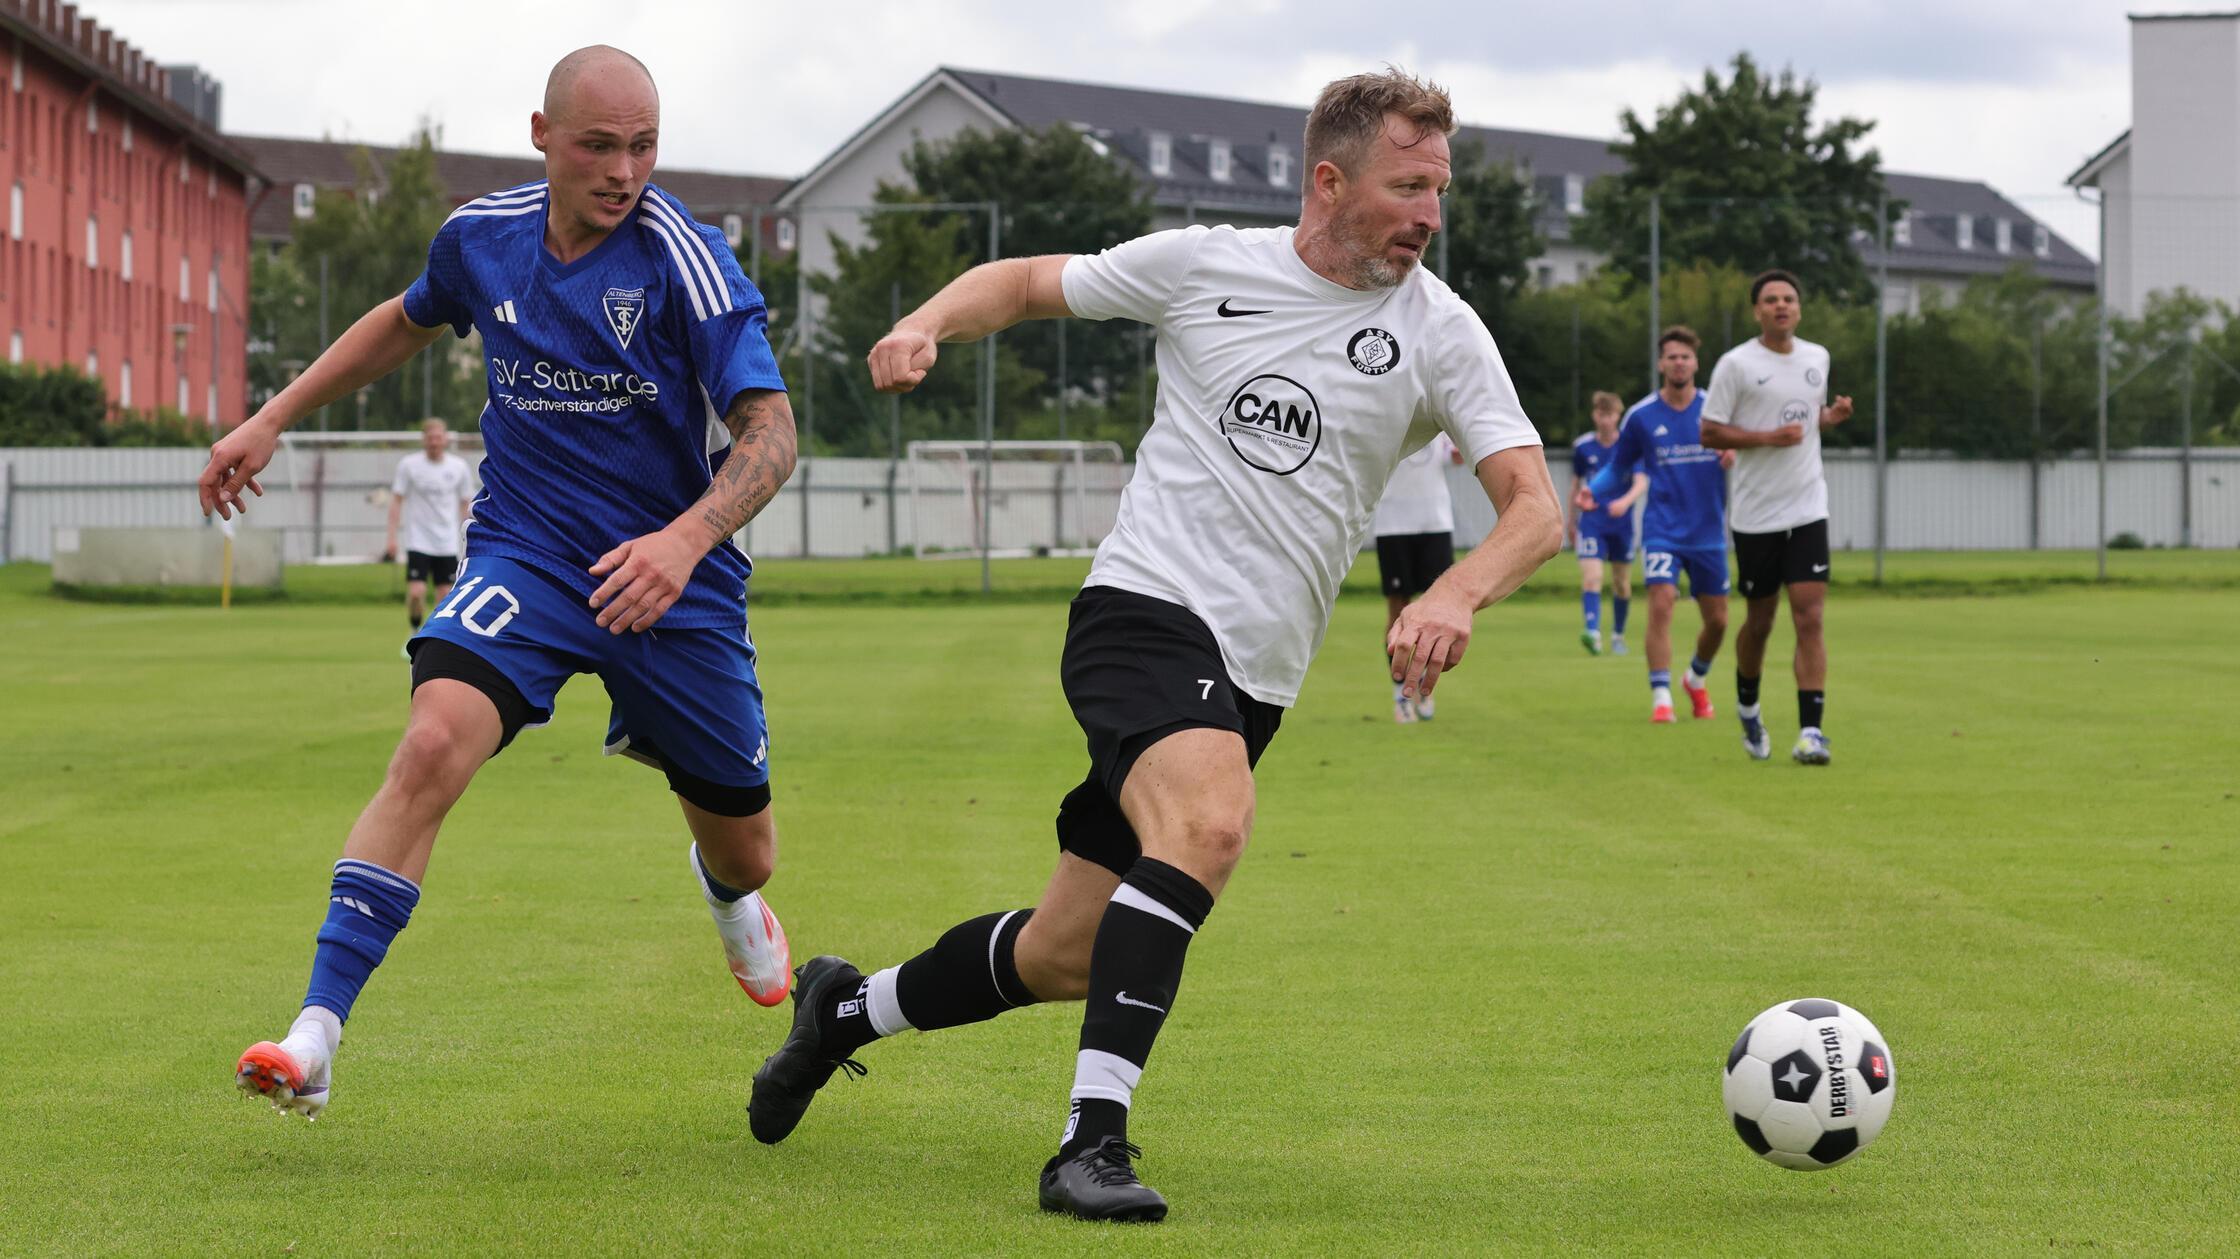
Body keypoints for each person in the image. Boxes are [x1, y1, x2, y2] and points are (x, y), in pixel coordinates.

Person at [747, 69, 1561, 1223]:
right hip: (1142, 607)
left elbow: (1533, 505)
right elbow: (1025, 282)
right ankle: (1091, 1142)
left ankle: (842, 1009)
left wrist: (1459, 592)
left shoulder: (1441, 331)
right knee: (1208, 823)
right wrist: (926, 319)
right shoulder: (1205, 263)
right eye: (1407, 186)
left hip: (1256, 674)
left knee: (1065, 951)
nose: (1429, 214)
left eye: (1439, 188)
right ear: (1328, 181)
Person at [198, 46, 801, 1121]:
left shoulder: (686, 259)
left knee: (746, 847)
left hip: (674, 579)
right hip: (526, 555)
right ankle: (317, 1029)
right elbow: (405, 316)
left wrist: (682, 540)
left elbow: (771, 432)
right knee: (432, 738)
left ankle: (722, 892)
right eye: (599, 145)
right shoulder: (482, 237)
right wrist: (270, 415)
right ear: (541, 134)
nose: (625, 171)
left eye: (644, 146)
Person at [1698, 269, 1851, 764]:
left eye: (1789, 298)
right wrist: (1767, 438)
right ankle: (1747, 705)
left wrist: (1829, 419)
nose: (1781, 305)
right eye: (1771, 299)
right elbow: (1710, 432)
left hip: (1808, 507)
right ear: (1757, 311)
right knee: (1759, 622)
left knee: (1810, 617)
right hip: (1756, 516)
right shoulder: (1737, 365)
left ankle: (1812, 732)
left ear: (1799, 309)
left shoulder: (1817, 357)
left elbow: (1808, 418)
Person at [1576, 327, 1733, 723]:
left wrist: (1735, 455)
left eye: (1685, 356)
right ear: (1661, 363)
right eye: (1671, 356)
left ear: (1696, 363)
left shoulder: (1716, 409)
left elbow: (1742, 450)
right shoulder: (1642, 416)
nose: (1679, 363)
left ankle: (1694, 680)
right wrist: (1593, 491)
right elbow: (1619, 467)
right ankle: (1661, 696)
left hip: (1710, 532)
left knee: (1717, 622)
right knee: (1661, 604)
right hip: (1662, 530)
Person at [1371, 430, 1463, 722]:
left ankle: (1425, 687)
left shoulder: (1438, 419)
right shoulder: (1384, 417)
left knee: (1436, 610)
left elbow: (1456, 456)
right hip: (1392, 524)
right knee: (1398, 611)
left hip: (1434, 522)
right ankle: (1401, 693)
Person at [382, 417, 476, 656]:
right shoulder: (409, 465)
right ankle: (414, 631)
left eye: (438, 437)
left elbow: (466, 504)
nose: (434, 442)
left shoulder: (458, 467)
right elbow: (397, 501)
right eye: (430, 437)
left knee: (444, 597)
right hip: (418, 540)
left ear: (445, 439)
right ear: (424, 440)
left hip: (446, 542)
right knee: (416, 593)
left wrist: (471, 538)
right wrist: (391, 537)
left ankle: (433, 641)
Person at [1567, 390, 1645, 656]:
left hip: (1622, 523)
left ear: (1618, 416)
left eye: (1610, 415)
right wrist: (1570, 519)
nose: (1605, 420)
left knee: (1622, 583)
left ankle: (1618, 636)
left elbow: (1641, 481)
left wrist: (1625, 502)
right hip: (1592, 522)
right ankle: (1592, 633)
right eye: (1601, 414)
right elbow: (1576, 485)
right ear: (1594, 415)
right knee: (1592, 577)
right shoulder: (1583, 447)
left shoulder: (1629, 445)